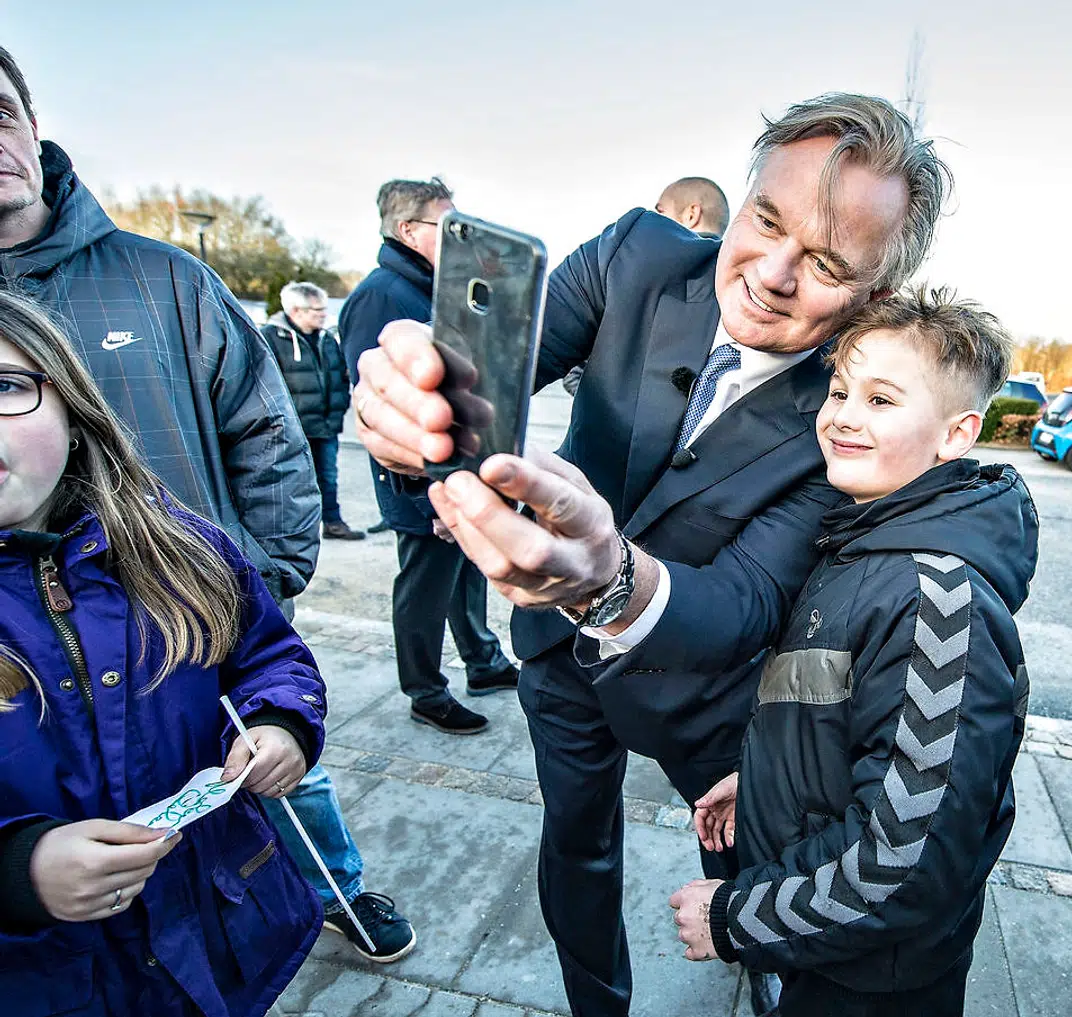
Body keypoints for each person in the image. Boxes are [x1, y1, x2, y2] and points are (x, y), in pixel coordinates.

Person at [354, 93, 951, 1017]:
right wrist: (414, 410)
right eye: (764, 221)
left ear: (872, 294)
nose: (772, 274)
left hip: (713, 692)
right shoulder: (636, 254)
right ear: (745, 193)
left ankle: (760, 963)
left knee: (748, 850)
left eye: (827, 264)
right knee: (578, 845)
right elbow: (494, 367)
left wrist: (611, 580)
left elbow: (749, 598)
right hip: (559, 654)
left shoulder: (851, 409)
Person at [0, 48, 415, 965]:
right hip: (25, 675)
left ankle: (332, 885)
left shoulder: (167, 279)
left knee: (274, 772)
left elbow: (269, 437)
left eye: (1, 115)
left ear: (33, 128)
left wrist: (254, 584)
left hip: (191, 622)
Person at [667, 289, 1037, 1016]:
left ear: (956, 434)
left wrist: (733, 915)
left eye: (880, 400)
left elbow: (904, 861)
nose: (842, 416)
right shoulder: (863, 542)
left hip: (868, 982)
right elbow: (850, 727)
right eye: (839, 391)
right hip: (817, 953)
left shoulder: (934, 599)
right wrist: (766, 776)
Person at [0, 290, 325, 1017]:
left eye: (6, 386)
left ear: (73, 410)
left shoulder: (175, 544)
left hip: (219, 931)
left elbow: (269, 654)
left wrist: (281, 723)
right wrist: (15, 874)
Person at [339, 177, 518, 735]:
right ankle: (425, 690)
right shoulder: (381, 295)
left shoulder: (434, 288)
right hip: (419, 482)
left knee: (467, 574)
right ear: (408, 231)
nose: (460, 236)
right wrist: (429, 490)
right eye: (448, 225)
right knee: (424, 588)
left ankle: (483, 662)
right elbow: (384, 405)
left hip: (454, 473)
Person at [561, 176, 732, 395]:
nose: (655, 220)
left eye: (660, 212)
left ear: (692, 214)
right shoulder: (736, 297)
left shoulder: (633, 263)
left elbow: (572, 372)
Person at [262, 280, 365, 541]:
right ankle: (291, 533)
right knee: (291, 482)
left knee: (328, 477)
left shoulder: (328, 339)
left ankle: (332, 522)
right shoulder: (270, 338)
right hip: (290, 430)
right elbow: (263, 384)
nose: (323, 315)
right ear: (296, 311)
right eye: (316, 310)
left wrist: (338, 409)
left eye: (324, 309)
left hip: (326, 425)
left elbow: (340, 377)